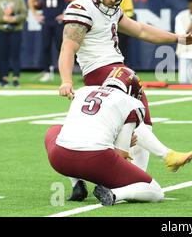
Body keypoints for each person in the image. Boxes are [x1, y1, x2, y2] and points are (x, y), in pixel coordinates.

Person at [58, 0, 192, 174]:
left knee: (142, 121)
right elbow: (67, 49)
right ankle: (166, 155)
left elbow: (141, 30)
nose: (114, 0)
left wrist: (178, 39)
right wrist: (66, 80)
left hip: (117, 69)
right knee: (130, 115)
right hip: (101, 72)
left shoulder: (111, 9)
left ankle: (137, 175)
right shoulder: (82, 9)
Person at [45, 67, 165, 205]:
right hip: (96, 160)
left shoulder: (83, 91)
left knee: (54, 130)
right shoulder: (133, 104)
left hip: (60, 159)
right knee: (156, 192)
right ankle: (113, 194)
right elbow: (120, 155)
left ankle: (76, 183)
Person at [27, 0, 78, 82]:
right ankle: (46, 71)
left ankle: (65, 73)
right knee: (45, 47)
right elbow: (30, 0)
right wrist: (35, 14)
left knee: (62, 47)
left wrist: (66, 13)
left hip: (58, 21)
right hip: (46, 20)